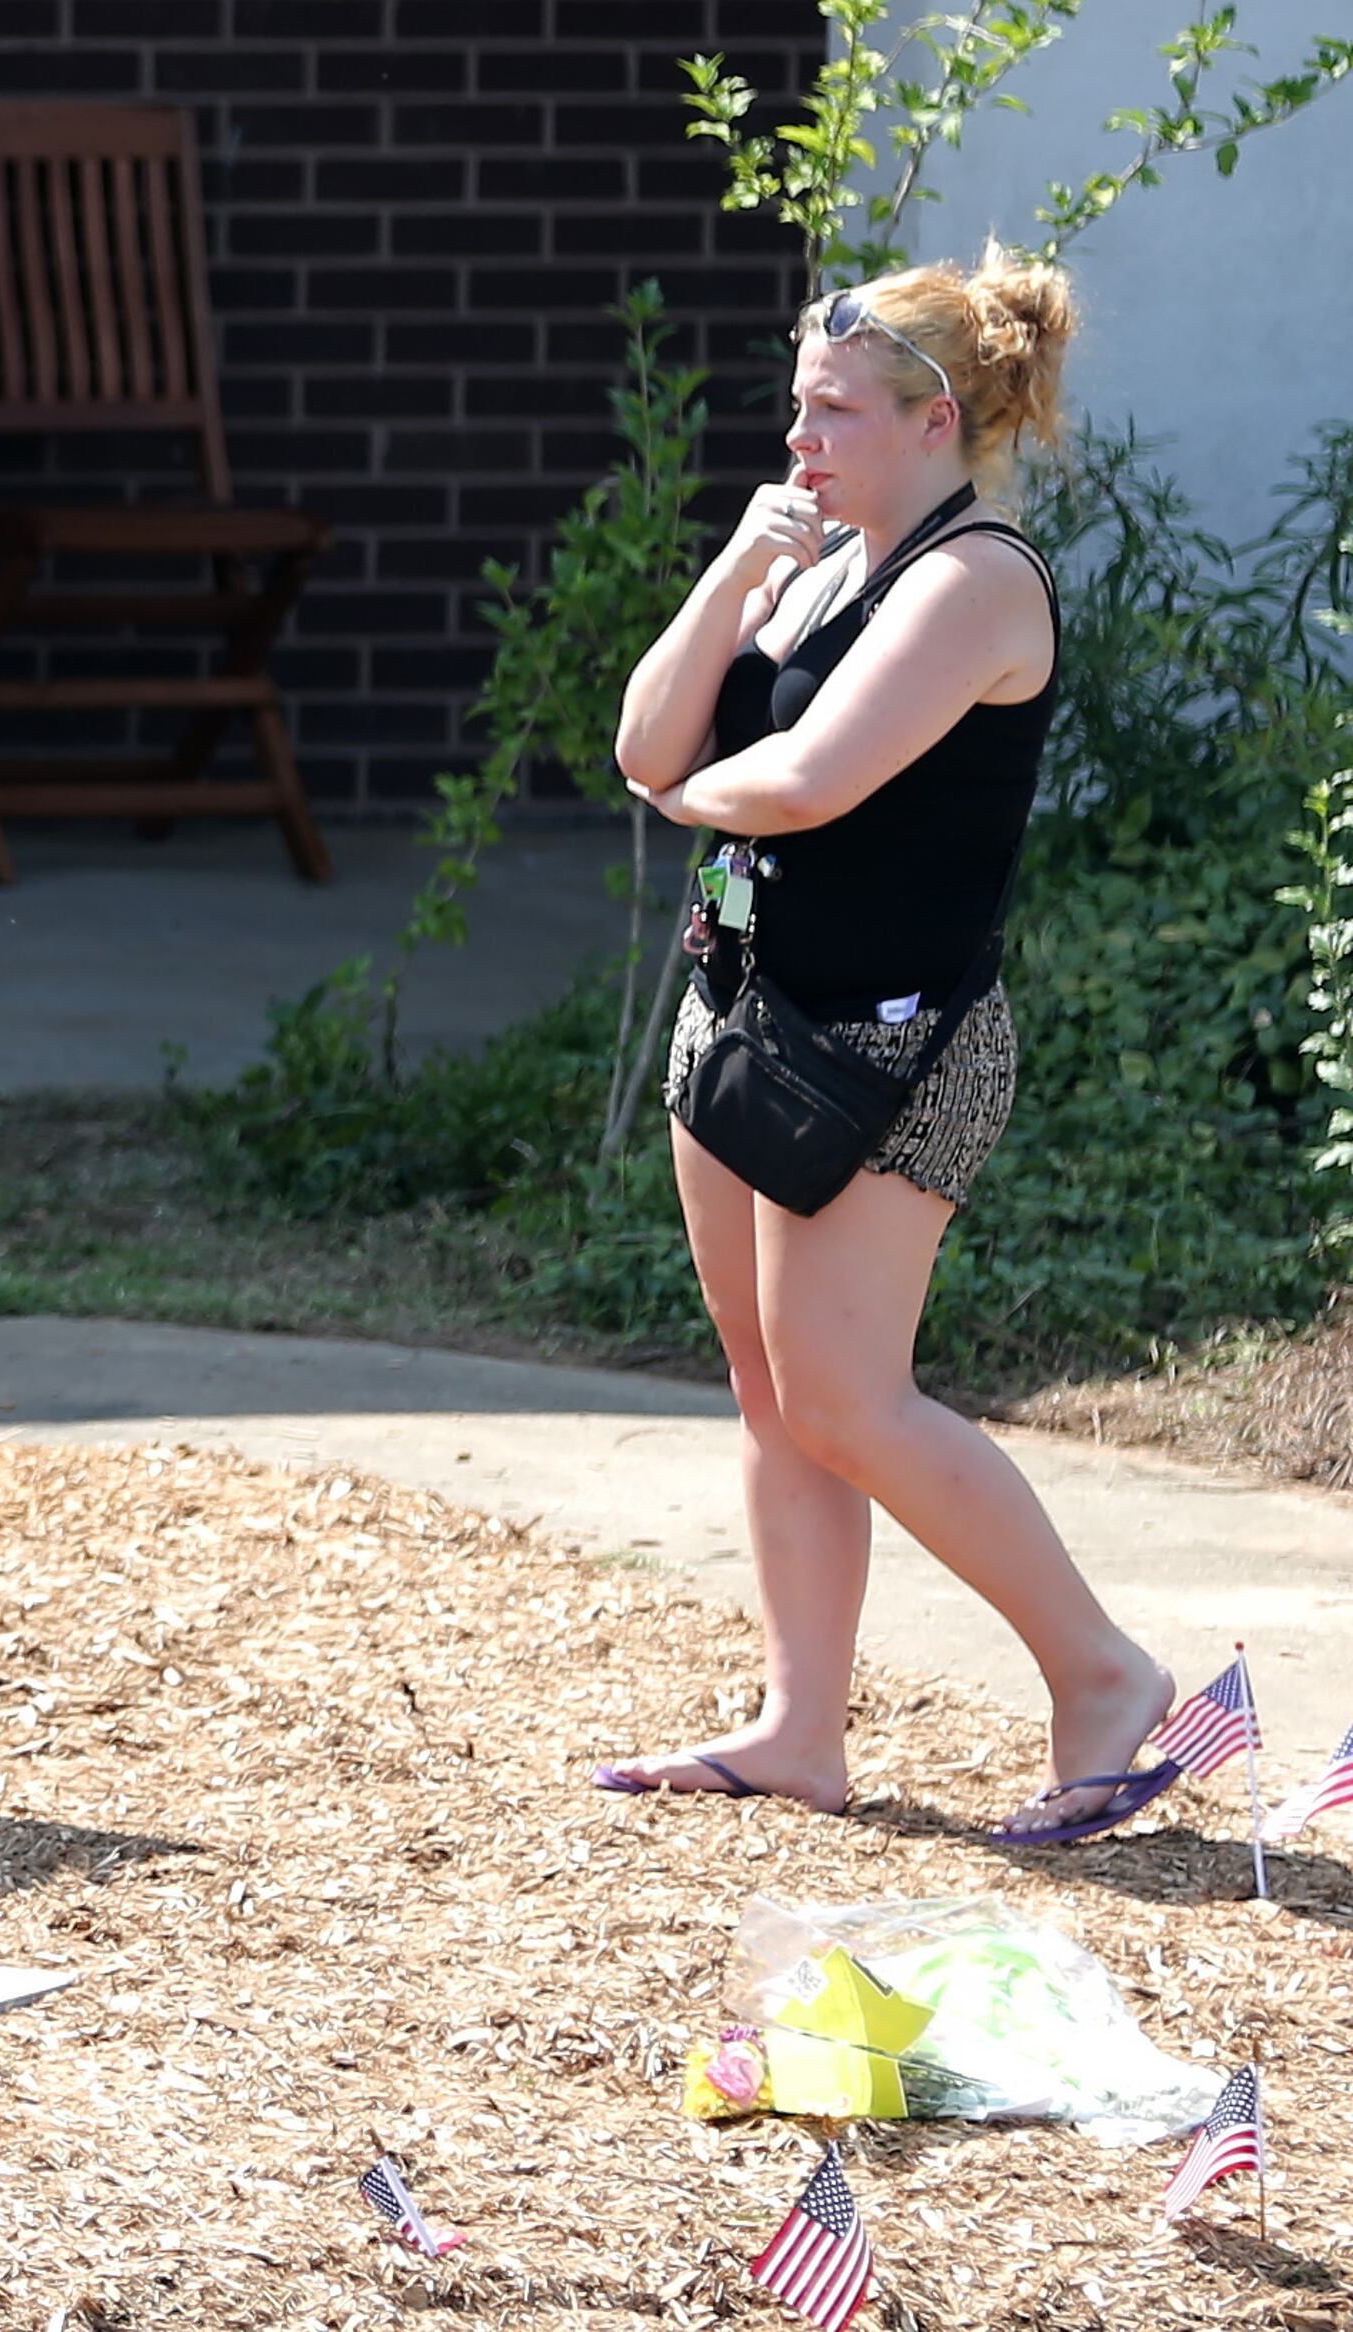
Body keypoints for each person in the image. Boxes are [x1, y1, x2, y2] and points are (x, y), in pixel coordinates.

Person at [596, 244, 1190, 1844]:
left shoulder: (976, 581)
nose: (802, 443)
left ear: (936, 423)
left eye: (835, 414)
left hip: (894, 1044)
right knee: (770, 1388)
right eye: (797, 409)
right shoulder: (813, 559)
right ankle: (802, 1728)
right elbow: (647, 733)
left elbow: (802, 782)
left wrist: (675, 801)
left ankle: (1107, 1679)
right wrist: (733, 571)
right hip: (744, 1014)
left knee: (849, 1395)